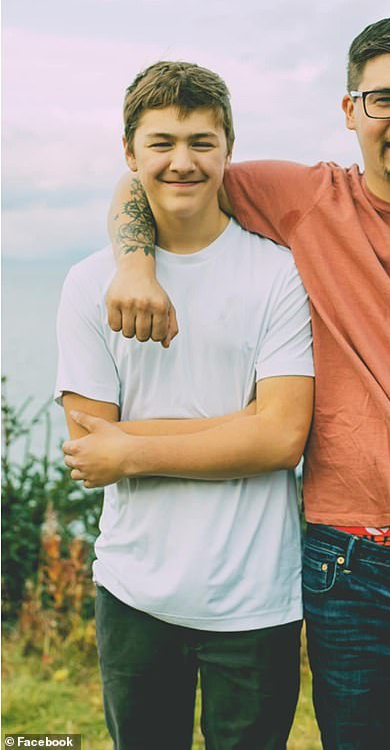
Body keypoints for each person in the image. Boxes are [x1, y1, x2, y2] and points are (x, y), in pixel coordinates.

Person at [99, 16, 390, 750]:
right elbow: (157, 174)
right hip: (348, 573)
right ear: (350, 109)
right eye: (384, 98)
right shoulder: (306, 201)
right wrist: (135, 264)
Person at [56, 61, 314, 750]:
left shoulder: (279, 272)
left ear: (229, 147)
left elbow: (285, 436)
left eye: (202, 142)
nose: (182, 161)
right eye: (161, 142)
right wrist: (242, 429)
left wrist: (133, 448)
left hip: (257, 599)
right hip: (135, 593)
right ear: (129, 153)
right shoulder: (89, 284)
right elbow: (89, 449)